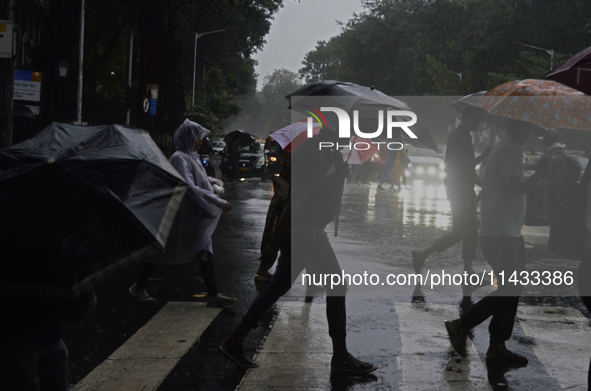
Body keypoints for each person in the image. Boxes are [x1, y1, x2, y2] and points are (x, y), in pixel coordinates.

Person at [220, 128, 377, 374]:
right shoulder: (316, 153)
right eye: (345, 129)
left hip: (305, 231)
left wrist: (338, 175)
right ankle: (341, 356)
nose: (349, 135)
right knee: (337, 287)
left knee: (278, 287)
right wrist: (273, 243)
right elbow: (298, 199)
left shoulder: (330, 155)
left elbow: (321, 190)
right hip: (306, 231)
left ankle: (235, 341)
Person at [445, 121, 549, 363]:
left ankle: (497, 345)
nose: (532, 133)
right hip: (501, 232)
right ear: (521, 129)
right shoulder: (509, 150)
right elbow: (512, 189)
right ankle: (462, 325)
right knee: (511, 288)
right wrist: (539, 176)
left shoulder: (506, 148)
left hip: (507, 231)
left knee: (512, 287)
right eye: (530, 128)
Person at [129, 119, 236, 308]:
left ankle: (213, 294)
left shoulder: (191, 156)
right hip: (181, 215)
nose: (200, 141)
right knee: (165, 249)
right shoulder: (180, 158)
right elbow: (188, 186)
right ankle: (139, 286)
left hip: (192, 215)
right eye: (197, 138)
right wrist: (217, 201)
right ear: (188, 137)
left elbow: (201, 178)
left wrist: (213, 183)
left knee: (203, 249)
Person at [412, 107, 491, 276]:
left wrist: (483, 156)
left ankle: (468, 270)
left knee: (471, 231)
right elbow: (466, 170)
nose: (479, 124)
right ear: (468, 117)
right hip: (460, 189)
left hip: (461, 188)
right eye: (477, 120)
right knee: (460, 231)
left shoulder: (461, 136)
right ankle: (422, 253)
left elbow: (466, 165)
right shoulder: (460, 138)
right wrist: (488, 186)